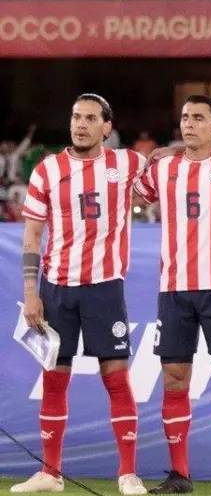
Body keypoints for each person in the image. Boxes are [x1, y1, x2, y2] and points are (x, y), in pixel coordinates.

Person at [14, 94, 148, 495]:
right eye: (76, 117)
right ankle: (50, 473)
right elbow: (32, 234)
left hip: (105, 288)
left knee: (116, 378)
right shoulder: (47, 170)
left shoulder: (126, 163)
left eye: (90, 118)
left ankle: (128, 473)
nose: (81, 124)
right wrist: (31, 291)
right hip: (57, 289)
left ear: (107, 127)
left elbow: (166, 160)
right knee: (54, 380)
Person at [135, 95, 211, 495]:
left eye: (199, 118)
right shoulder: (163, 168)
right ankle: (180, 474)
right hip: (174, 289)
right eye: (185, 117)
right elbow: (132, 190)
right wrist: (161, 153)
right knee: (174, 379)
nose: (188, 123)